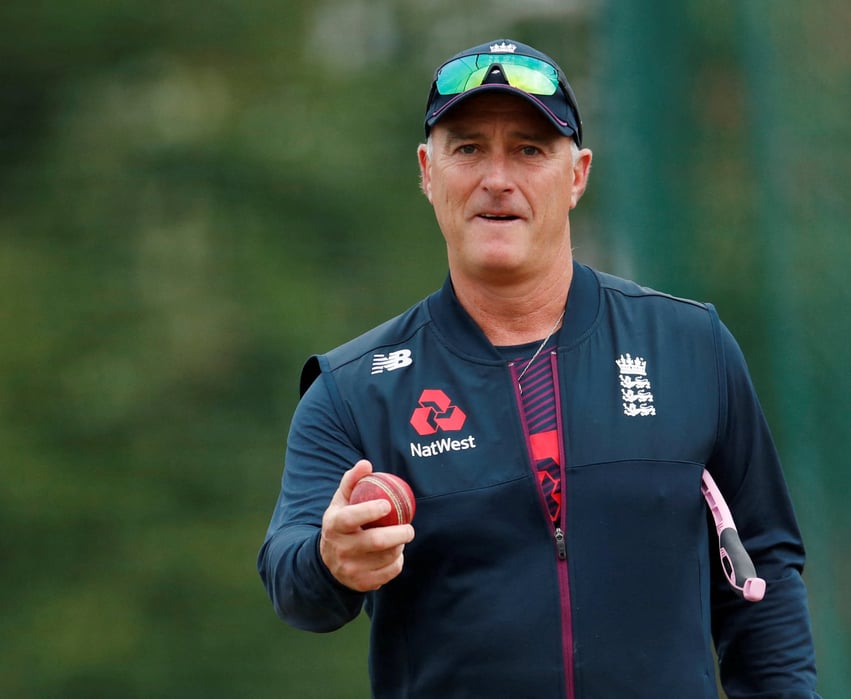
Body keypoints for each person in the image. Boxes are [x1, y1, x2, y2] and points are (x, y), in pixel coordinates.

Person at [258, 38, 820, 698]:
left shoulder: (690, 345)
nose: (497, 177)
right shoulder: (353, 389)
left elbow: (764, 572)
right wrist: (332, 560)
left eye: (529, 149)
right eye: (468, 148)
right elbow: (294, 581)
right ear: (427, 171)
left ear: (577, 173)